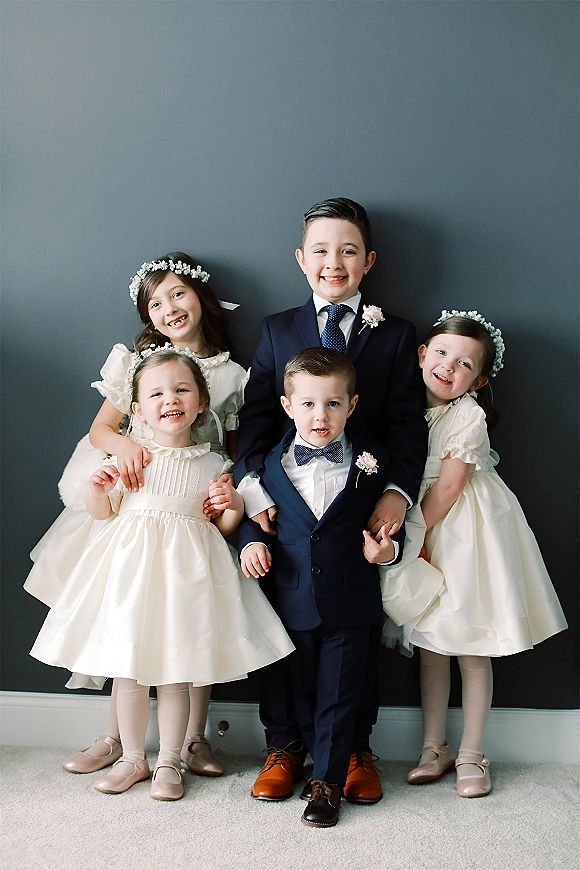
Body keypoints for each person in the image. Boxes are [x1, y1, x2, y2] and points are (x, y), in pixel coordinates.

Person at [30, 347, 294, 801]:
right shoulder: (132, 459)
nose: (169, 399)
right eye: (156, 394)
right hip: (132, 578)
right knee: (128, 673)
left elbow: (221, 528)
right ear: (137, 409)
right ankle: (133, 758)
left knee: (176, 675)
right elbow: (104, 513)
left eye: (181, 390)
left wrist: (232, 506)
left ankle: (170, 759)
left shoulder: (215, 466)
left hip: (186, 582)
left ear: (201, 401)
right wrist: (99, 490)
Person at [234, 198, 427, 803]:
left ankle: (354, 749)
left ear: (369, 260)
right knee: (285, 630)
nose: (333, 262)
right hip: (288, 502)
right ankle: (285, 745)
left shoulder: (394, 333)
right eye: (320, 250)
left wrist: (396, 495)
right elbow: (255, 422)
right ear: (301, 258)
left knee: (353, 635)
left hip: (360, 502)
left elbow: (407, 427)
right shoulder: (276, 328)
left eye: (347, 250)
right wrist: (254, 494)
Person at [24, 253, 247, 777]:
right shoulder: (134, 362)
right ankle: (116, 739)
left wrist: (225, 492)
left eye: (178, 293)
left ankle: (191, 740)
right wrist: (126, 448)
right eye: (156, 303)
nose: (170, 308)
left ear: (201, 295)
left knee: (192, 620)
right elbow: (101, 429)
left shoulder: (231, 373)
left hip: (192, 499)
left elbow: (234, 447)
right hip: (137, 491)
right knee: (126, 618)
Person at [380, 310, 568, 798]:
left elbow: (448, 488)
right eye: (441, 353)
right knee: (430, 643)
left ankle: (472, 751)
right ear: (422, 354)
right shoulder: (403, 407)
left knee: (471, 644)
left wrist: (413, 539)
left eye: (464, 363)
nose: (448, 367)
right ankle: (434, 746)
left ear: (479, 380)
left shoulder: (468, 415)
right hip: (425, 522)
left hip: (464, 532)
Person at [240, 348, 399, 827]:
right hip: (287, 597)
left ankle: (327, 783)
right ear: (287, 406)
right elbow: (252, 517)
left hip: (350, 598)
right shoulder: (267, 466)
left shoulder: (373, 462)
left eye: (332, 404)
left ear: (352, 405)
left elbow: (393, 528)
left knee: (340, 690)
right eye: (308, 404)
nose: (320, 416)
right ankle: (289, 753)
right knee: (293, 686)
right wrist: (250, 542)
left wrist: (386, 552)